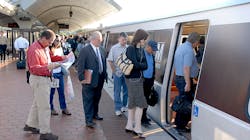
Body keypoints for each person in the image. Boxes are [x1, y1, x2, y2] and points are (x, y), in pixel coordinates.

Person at [24, 29, 59, 140]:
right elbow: (34, 69)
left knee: (37, 103)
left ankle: (30, 125)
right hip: (39, 80)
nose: (50, 44)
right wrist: (49, 67)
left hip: (43, 80)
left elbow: (50, 58)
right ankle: (45, 133)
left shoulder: (44, 47)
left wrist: (63, 58)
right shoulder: (34, 49)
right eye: (50, 42)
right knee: (44, 107)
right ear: (43, 38)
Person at [77, 31, 107, 128]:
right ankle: (88, 120)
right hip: (88, 80)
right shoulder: (85, 50)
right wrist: (82, 79)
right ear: (93, 39)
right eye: (99, 40)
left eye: (101, 40)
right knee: (88, 99)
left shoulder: (102, 49)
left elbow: (103, 62)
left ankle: (95, 114)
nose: (100, 42)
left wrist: (105, 74)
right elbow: (80, 65)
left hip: (100, 78)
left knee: (96, 98)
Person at [173, 32, 200, 132]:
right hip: (185, 79)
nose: (198, 44)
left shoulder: (181, 47)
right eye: (198, 42)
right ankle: (181, 126)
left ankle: (178, 123)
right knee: (186, 103)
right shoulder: (189, 50)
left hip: (180, 78)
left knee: (182, 101)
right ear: (195, 41)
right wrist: (188, 83)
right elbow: (186, 68)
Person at [124, 29, 148, 138]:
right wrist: (140, 64)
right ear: (140, 38)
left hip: (137, 78)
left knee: (133, 102)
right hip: (133, 79)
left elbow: (145, 65)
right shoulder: (131, 48)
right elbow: (136, 65)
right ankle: (137, 127)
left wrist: (139, 64)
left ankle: (129, 125)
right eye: (144, 39)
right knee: (141, 104)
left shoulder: (141, 50)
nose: (145, 41)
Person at [49, 34, 71, 116]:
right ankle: (51, 108)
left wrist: (66, 60)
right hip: (53, 74)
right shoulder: (50, 50)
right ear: (53, 41)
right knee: (52, 92)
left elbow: (61, 60)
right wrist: (62, 58)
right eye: (56, 40)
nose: (58, 42)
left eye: (59, 40)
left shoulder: (60, 49)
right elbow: (52, 59)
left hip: (59, 73)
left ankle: (64, 108)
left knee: (61, 92)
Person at [107, 32, 128, 116]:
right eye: (123, 40)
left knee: (126, 91)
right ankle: (117, 108)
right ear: (119, 39)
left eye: (126, 40)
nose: (125, 41)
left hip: (126, 73)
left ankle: (124, 105)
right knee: (117, 91)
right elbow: (110, 60)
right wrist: (114, 71)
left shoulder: (128, 48)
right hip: (117, 73)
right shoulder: (114, 48)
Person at [141, 40, 158, 126]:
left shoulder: (152, 55)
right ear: (148, 47)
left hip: (149, 81)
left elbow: (153, 67)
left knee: (147, 99)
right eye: (152, 49)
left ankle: (144, 116)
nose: (154, 51)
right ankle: (142, 118)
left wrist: (153, 79)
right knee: (142, 100)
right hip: (142, 81)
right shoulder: (141, 54)